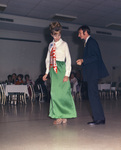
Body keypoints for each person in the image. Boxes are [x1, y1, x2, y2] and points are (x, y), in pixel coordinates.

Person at [43, 21, 77, 125]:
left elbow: (69, 59)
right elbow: (48, 59)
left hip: (62, 69)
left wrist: (67, 74)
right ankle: (58, 115)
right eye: (55, 35)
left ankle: (65, 115)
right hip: (53, 70)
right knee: (54, 93)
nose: (57, 37)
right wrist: (46, 72)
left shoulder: (64, 44)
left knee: (64, 93)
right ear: (52, 34)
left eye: (59, 35)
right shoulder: (50, 45)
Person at [76, 25, 109, 125]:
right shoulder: (88, 43)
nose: (78, 35)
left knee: (93, 96)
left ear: (85, 33)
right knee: (93, 95)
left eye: (80, 33)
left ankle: (99, 119)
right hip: (91, 74)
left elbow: (95, 57)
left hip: (93, 74)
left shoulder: (91, 42)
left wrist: (83, 60)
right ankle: (99, 118)